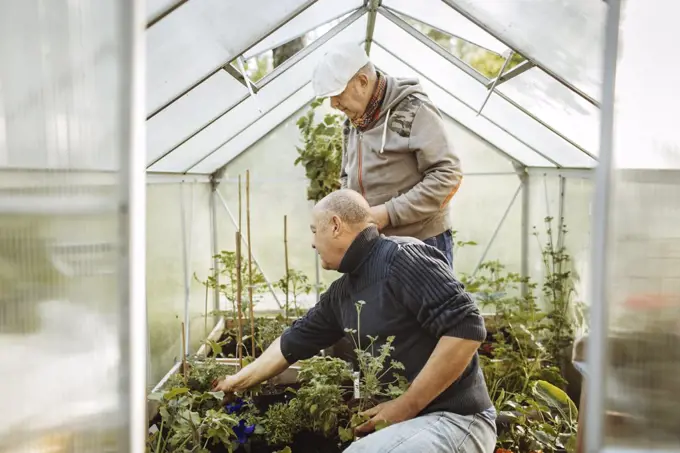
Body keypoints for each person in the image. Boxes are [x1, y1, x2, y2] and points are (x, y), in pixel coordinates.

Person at [213, 189, 496, 453]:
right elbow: (292, 342)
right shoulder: (343, 293)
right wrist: (235, 381)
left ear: (335, 225)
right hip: (414, 424)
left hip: (458, 419)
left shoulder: (404, 258)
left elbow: (466, 327)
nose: (312, 242)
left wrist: (405, 405)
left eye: (315, 231)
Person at [311, 42, 462, 269]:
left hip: (421, 243)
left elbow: (448, 175)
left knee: (422, 304)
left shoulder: (413, 110)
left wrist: (388, 213)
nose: (333, 104)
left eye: (337, 94)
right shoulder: (353, 122)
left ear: (362, 81)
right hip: (374, 245)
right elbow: (347, 176)